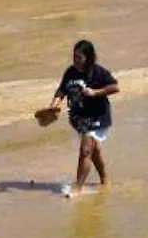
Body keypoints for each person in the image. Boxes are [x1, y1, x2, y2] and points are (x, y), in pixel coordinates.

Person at [46, 40, 120, 195]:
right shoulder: (70, 72)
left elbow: (115, 87)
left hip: (97, 116)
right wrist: (54, 106)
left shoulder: (97, 72)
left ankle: (77, 187)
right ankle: (105, 180)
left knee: (86, 150)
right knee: (94, 151)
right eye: (74, 57)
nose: (76, 60)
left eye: (79, 57)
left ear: (88, 57)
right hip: (79, 118)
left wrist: (95, 92)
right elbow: (61, 90)